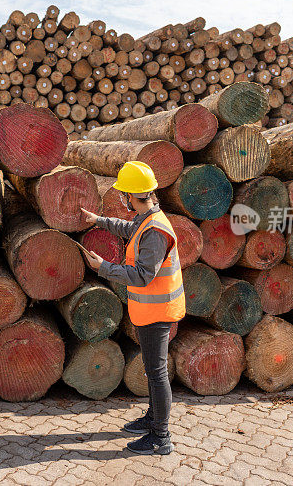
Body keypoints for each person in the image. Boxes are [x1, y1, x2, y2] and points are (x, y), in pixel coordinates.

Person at [79, 161, 185, 456]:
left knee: (156, 372)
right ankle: (152, 419)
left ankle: (161, 437)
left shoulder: (155, 231)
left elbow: (142, 275)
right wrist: (97, 219)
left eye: (124, 194)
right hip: (150, 310)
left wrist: (104, 268)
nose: (122, 198)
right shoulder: (147, 217)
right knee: (154, 371)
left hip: (158, 312)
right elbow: (128, 228)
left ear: (132, 196)